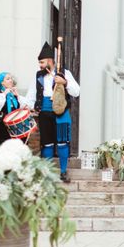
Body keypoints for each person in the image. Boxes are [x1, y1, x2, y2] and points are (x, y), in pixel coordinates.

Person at [26, 42, 80, 182]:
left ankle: (63, 172)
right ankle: (46, 173)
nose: (40, 65)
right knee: (47, 144)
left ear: (50, 61)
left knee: (62, 142)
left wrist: (64, 82)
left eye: (42, 62)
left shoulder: (64, 73)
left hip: (61, 112)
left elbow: (76, 91)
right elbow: (31, 96)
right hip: (44, 113)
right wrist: (28, 106)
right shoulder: (38, 76)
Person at [0, 72, 31, 148]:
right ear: (2, 82)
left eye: (11, 78)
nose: (11, 80)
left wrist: (17, 95)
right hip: (1, 126)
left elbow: (26, 106)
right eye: (8, 79)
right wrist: (4, 93)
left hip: (15, 126)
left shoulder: (14, 95)